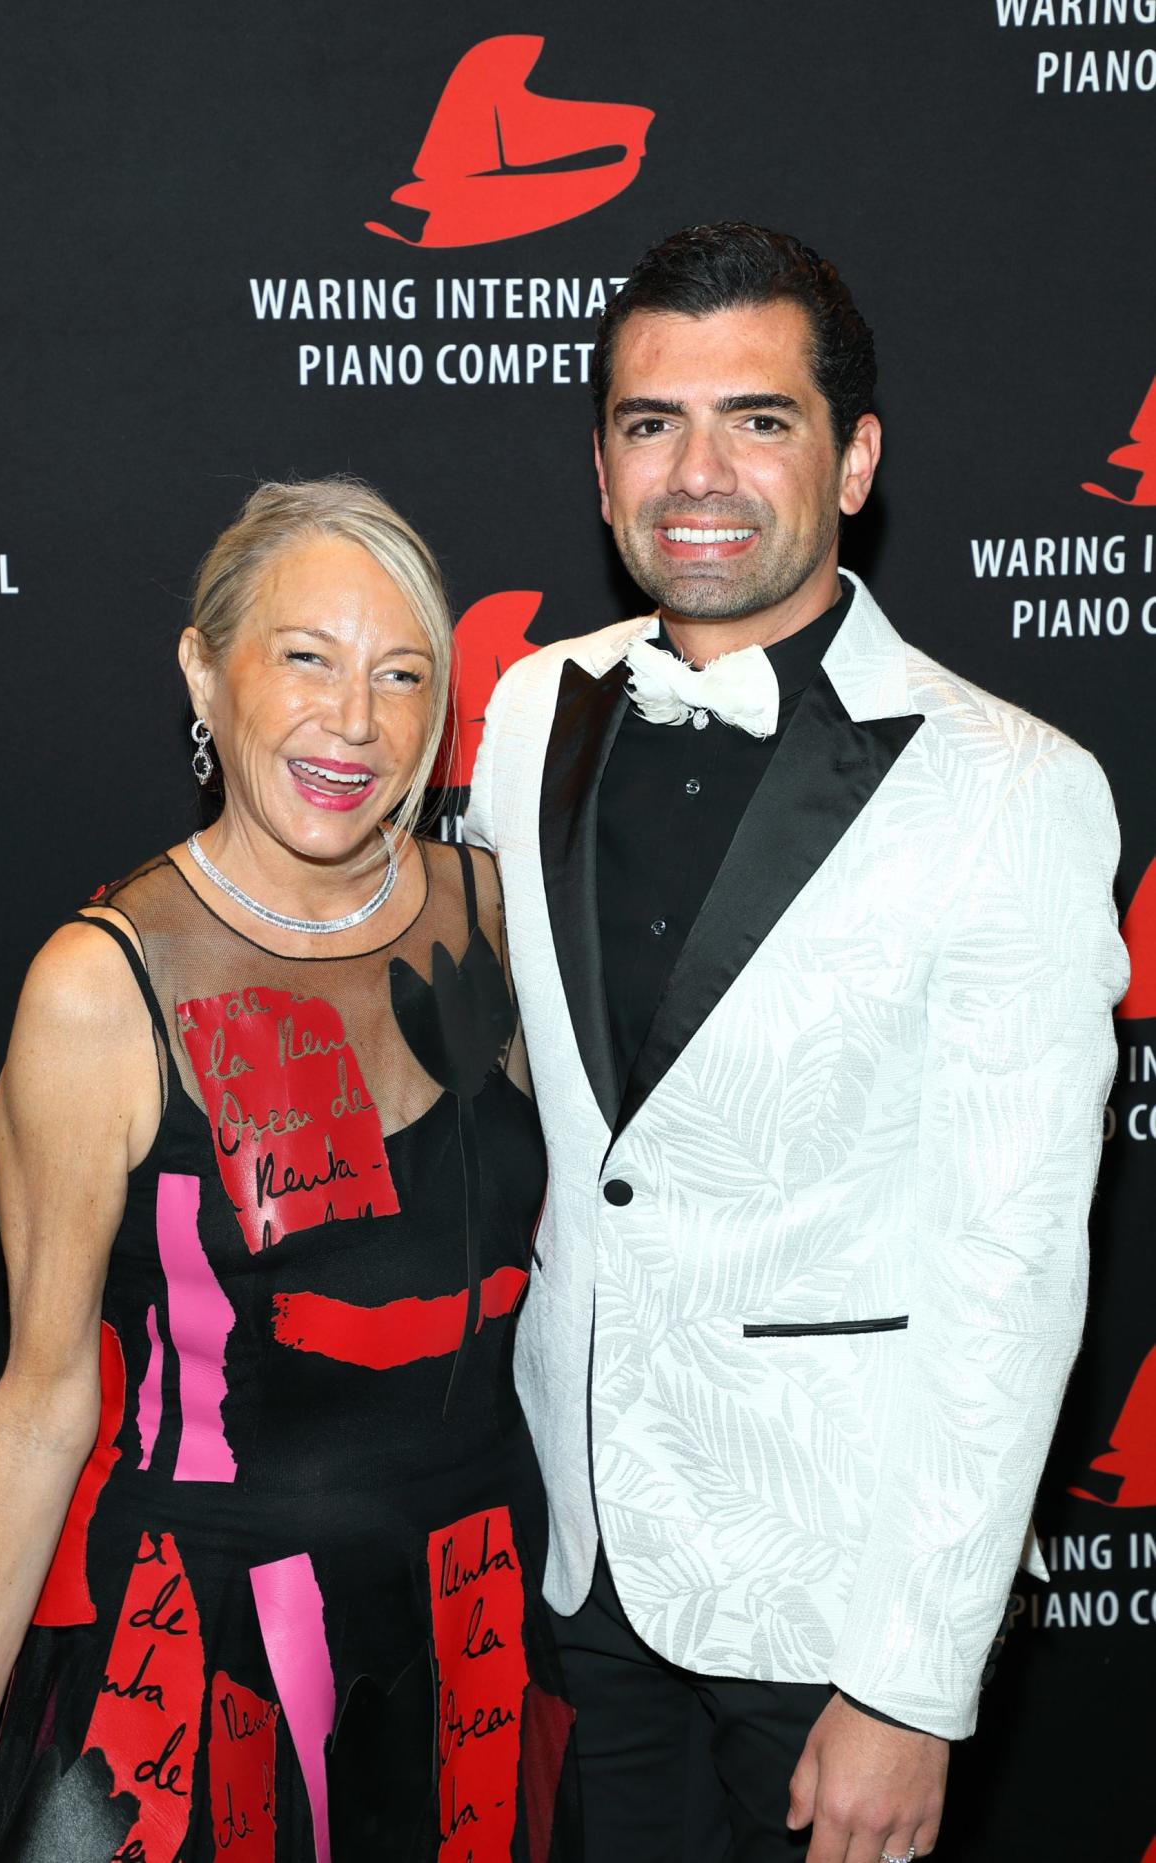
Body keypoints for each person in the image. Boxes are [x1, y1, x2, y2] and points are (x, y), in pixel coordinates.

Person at [465, 223, 1128, 1863]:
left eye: (757, 419)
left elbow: (1011, 1270)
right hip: (588, 1556)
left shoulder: (1015, 787)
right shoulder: (530, 707)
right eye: (648, 423)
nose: (697, 472)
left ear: (854, 461)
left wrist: (911, 1683)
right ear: (601, 464)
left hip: (832, 1603)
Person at [0, 479, 578, 1862]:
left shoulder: (499, 919)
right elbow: (42, 1405)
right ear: (203, 673)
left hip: (481, 1639)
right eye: (305, 659)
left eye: (402, 675)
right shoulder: (109, 983)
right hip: (201, 1661)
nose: (354, 721)